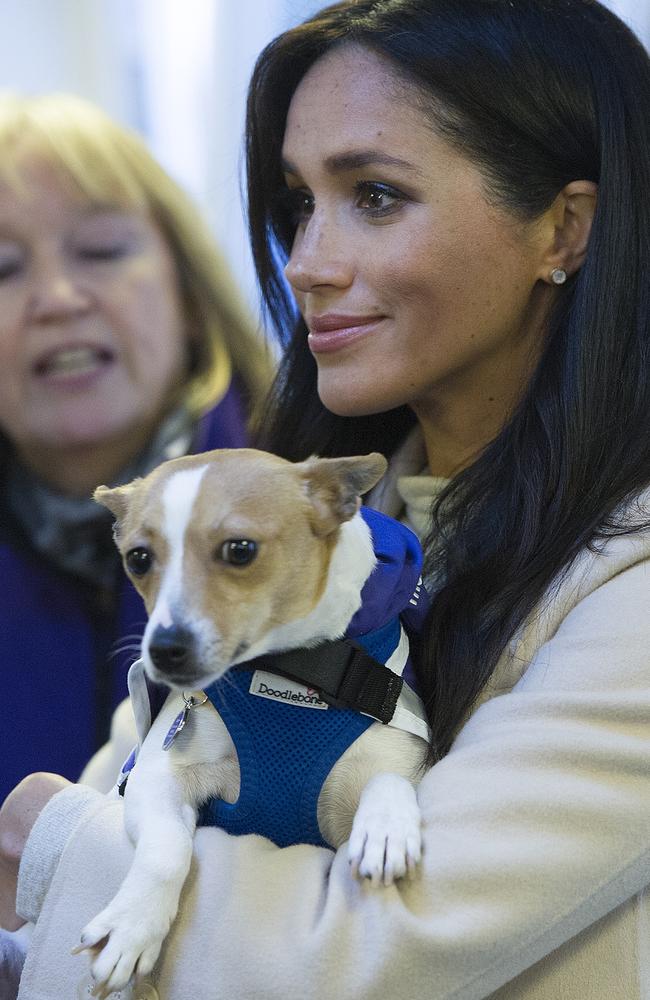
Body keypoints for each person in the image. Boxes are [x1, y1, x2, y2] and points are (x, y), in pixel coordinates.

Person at [4, 0, 650, 996]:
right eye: (298, 202)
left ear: (561, 228)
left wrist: (49, 849)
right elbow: (134, 779)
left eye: (376, 196)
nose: (306, 260)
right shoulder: (311, 518)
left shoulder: (630, 578)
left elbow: (380, 941)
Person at [0, 92, 271, 804]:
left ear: (188, 294)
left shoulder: (324, 504)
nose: (57, 298)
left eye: (101, 251)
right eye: (2, 268)